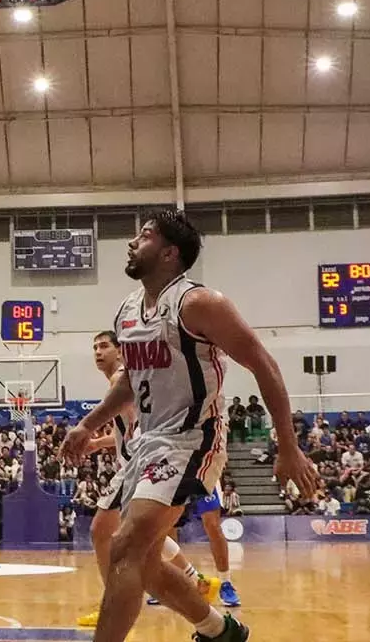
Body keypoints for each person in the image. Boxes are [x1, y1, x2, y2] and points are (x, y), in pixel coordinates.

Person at [61, 209, 318, 642]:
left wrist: (288, 447)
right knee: (142, 562)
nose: (132, 242)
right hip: (148, 443)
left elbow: (264, 364)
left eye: (144, 236)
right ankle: (220, 630)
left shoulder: (198, 303)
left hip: (191, 438)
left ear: (169, 253)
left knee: (123, 546)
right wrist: (88, 424)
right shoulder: (127, 309)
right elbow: (129, 381)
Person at [77, 330, 219, 628]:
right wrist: (98, 443)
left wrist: (88, 432)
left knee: (103, 532)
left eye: (104, 346)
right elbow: (124, 429)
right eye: (94, 347)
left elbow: (137, 423)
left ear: (120, 351)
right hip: (136, 461)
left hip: (137, 464)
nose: (98, 352)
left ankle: (114, 602)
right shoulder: (120, 381)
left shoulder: (120, 379)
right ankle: (198, 581)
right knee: (141, 535)